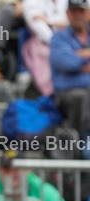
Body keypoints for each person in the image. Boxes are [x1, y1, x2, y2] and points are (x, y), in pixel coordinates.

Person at [51, 0, 90, 138]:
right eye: (74, 11)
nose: (78, 15)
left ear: (89, 13)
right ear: (68, 14)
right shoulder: (59, 37)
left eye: (82, 11)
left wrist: (82, 56)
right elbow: (68, 63)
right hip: (66, 94)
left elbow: (73, 65)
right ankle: (76, 146)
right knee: (81, 97)